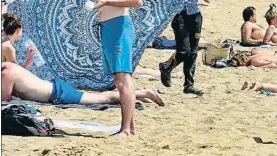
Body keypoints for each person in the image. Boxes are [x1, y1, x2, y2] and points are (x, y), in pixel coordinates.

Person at [92, 0, 143, 139]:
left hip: (120, 24)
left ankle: (124, 129)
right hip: (107, 25)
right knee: (120, 79)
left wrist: (107, 2)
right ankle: (130, 128)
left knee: (122, 80)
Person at [159, 0, 210, 96]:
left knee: (193, 51)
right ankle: (167, 67)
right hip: (178, 13)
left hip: (194, 13)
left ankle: (189, 84)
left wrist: (207, 0)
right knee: (183, 51)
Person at [1, 61, 164, 106]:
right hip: (54, 87)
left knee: (103, 98)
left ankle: (144, 93)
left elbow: (4, 98)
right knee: (100, 96)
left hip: (57, 93)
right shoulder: (9, 67)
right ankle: (141, 94)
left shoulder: (6, 73)